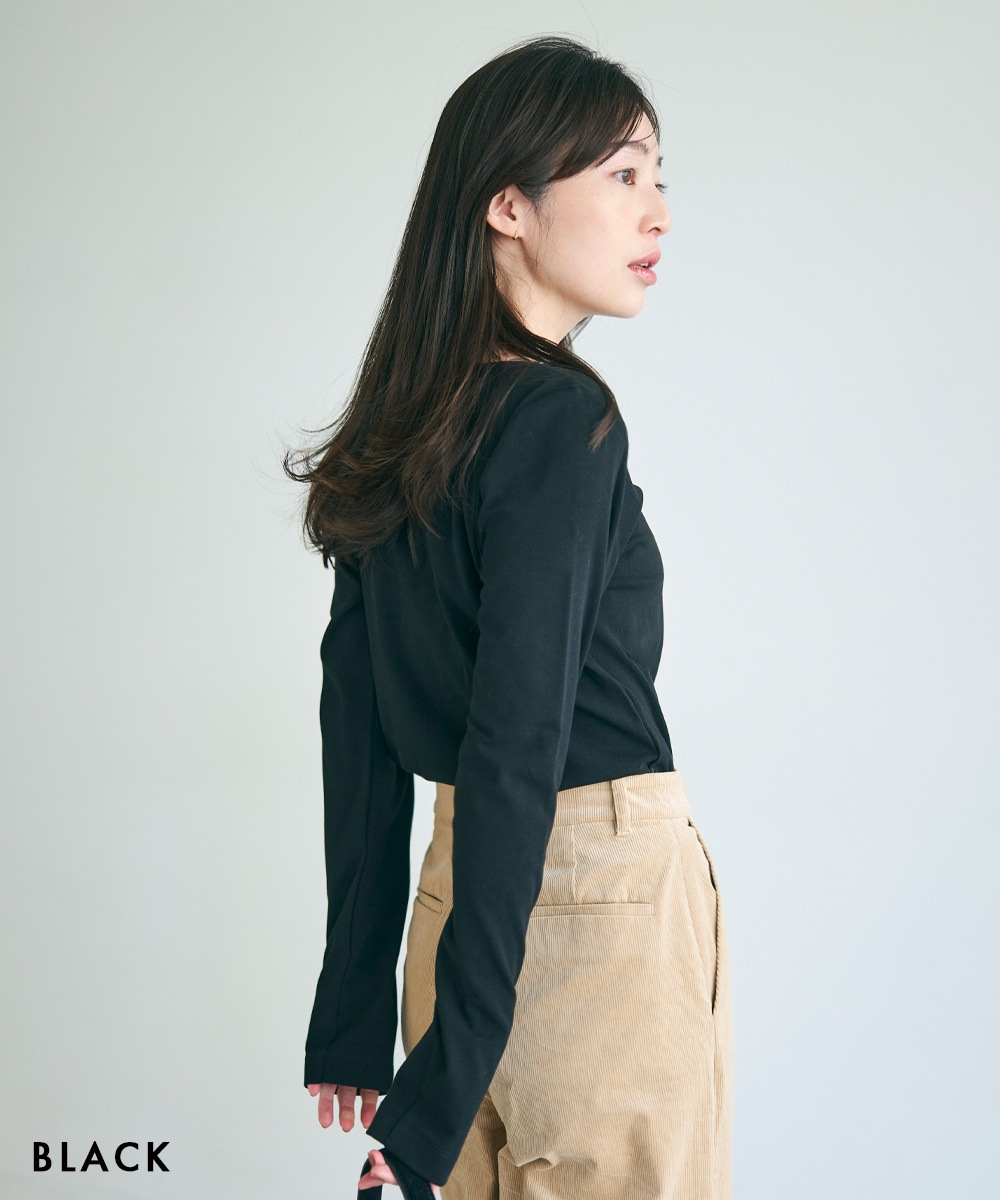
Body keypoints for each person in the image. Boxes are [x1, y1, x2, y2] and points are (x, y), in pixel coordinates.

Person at [283, 34, 734, 1200]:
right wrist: (443, 1080)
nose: (657, 213)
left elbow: (359, 736)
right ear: (508, 205)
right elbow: (518, 737)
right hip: (598, 905)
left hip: (458, 903)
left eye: (657, 178)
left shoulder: (393, 433)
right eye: (622, 174)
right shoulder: (560, 421)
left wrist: (356, 1011)